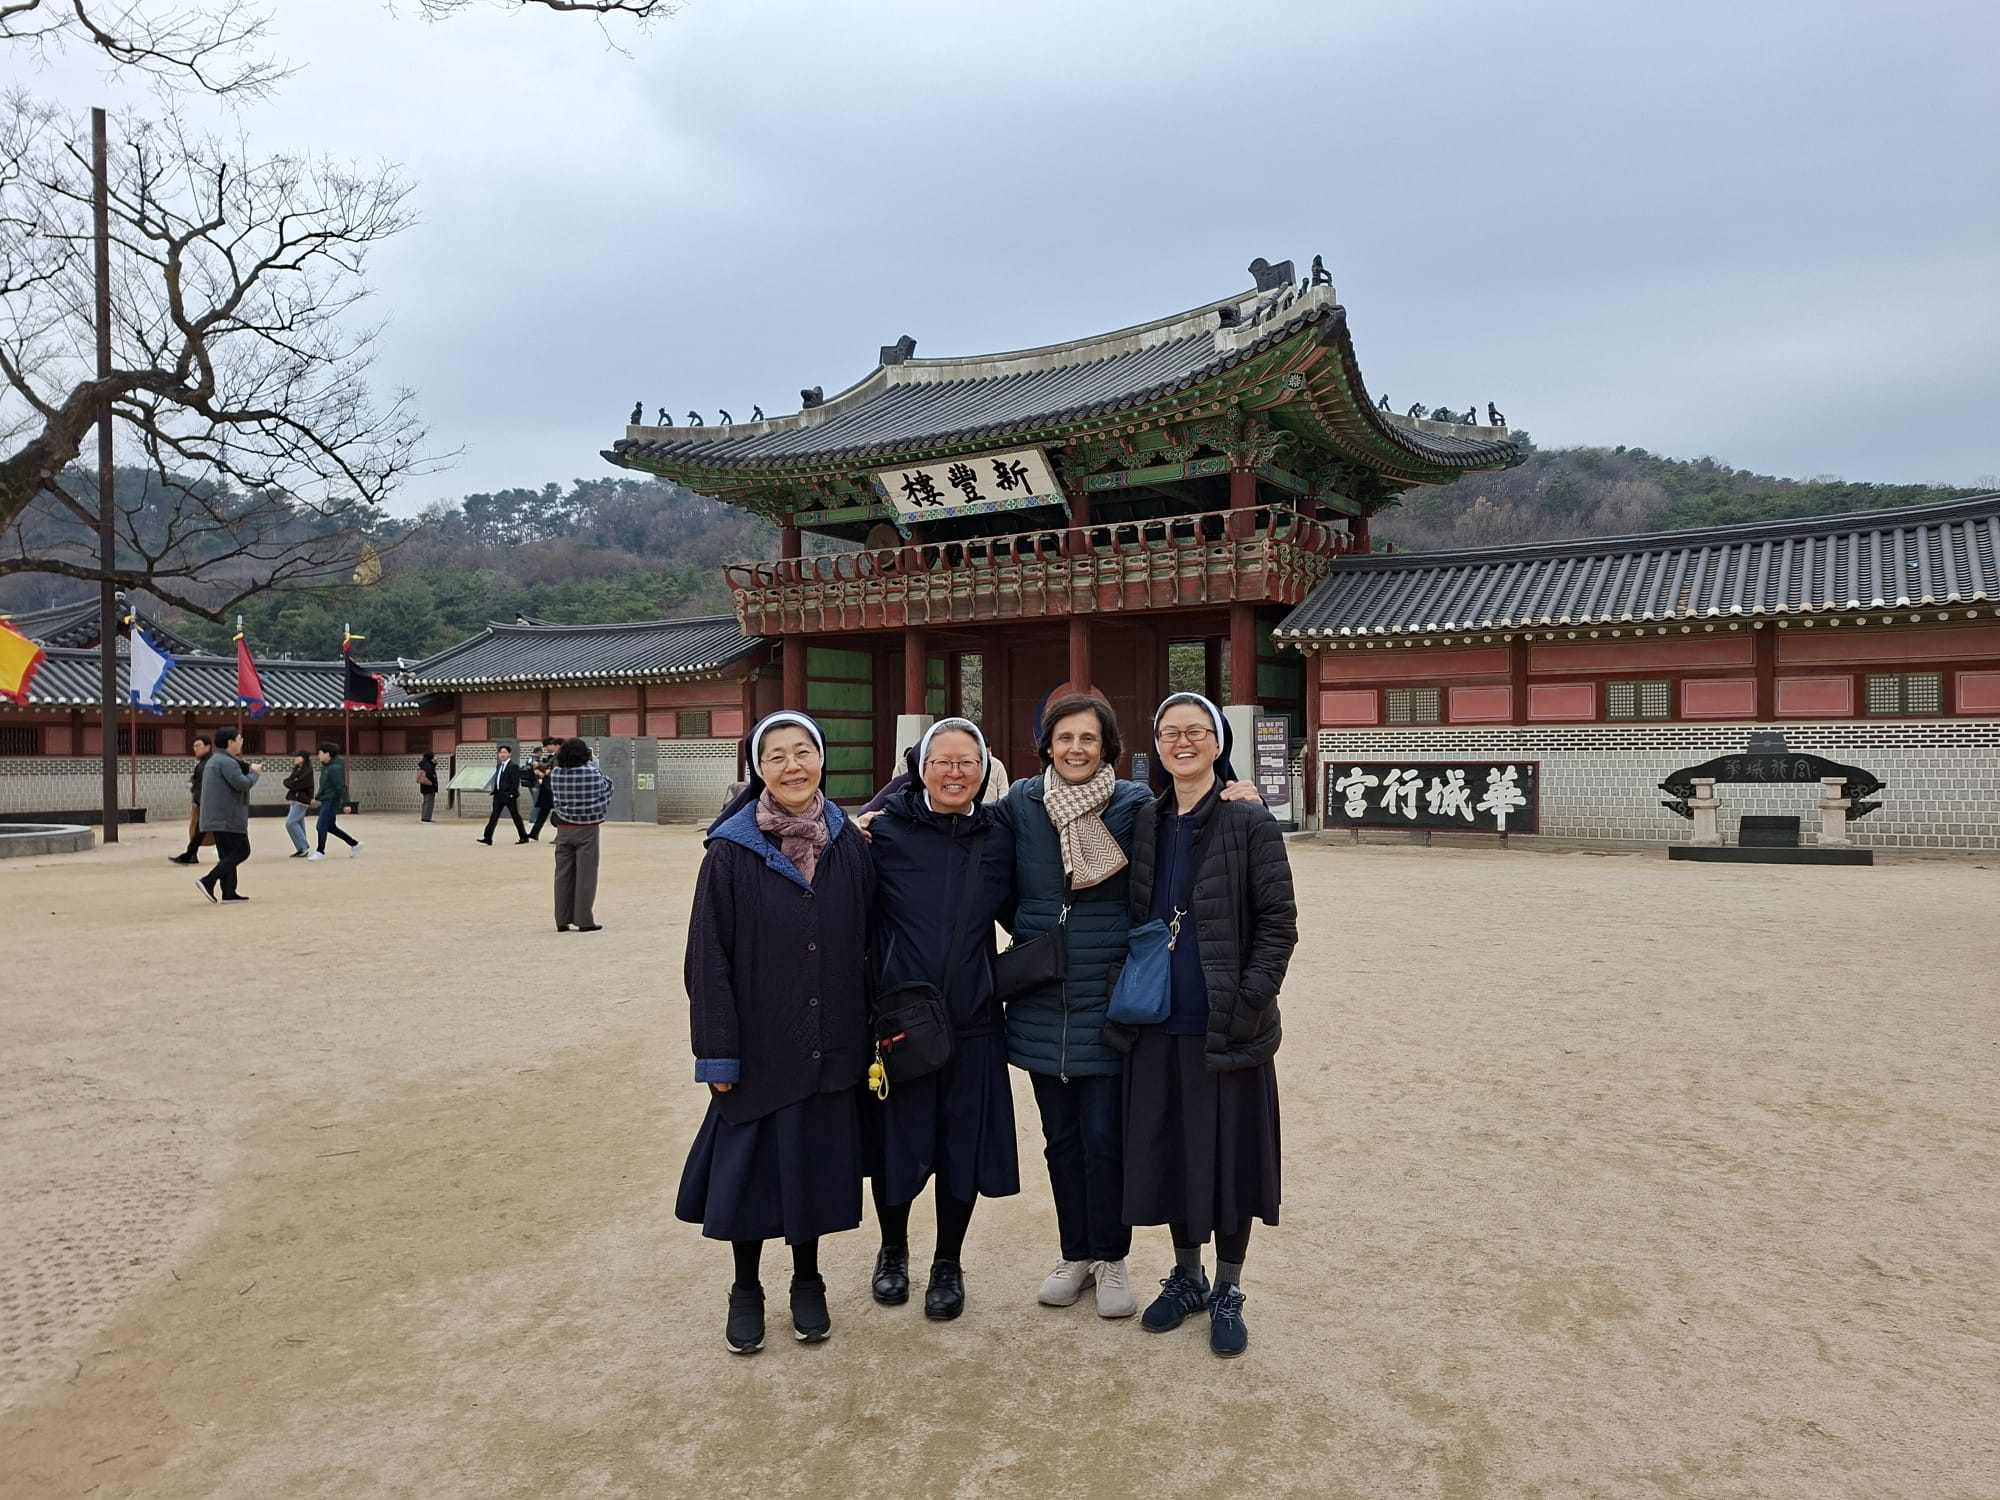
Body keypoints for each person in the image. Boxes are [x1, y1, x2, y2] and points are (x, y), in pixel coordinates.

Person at [995, 694, 1264, 1319]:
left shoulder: (1134, 805)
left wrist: (1237, 793)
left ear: (1109, 747)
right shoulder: (1021, 805)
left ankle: (1112, 1256)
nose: (1076, 749)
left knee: (1105, 1138)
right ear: (1046, 746)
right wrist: (875, 815)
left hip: (1111, 998)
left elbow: (1192, 819)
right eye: (1065, 738)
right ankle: (1076, 1253)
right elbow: (967, 833)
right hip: (1043, 1000)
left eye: (1088, 738)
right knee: (1060, 1141)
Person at [677, 711, 875, 1354]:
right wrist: (718, 1053)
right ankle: (746, 1288)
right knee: (753, 1174)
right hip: (760, 1045)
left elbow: (871, 942)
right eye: (777, 756)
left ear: (821, 759)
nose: (793, 767)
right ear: (759, 769)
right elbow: (707, 958)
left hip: (830, 1039)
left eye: (803, 752)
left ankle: (808, 1280)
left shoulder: (849, 845)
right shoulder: (731, 852)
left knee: (810, 1166)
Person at [1108, 692, 1297, 1360]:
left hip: (1226, 1027)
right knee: (1175, 1154)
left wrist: (1250, 1002)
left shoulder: (1249, 820)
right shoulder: (1146, 819)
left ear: (1218, 742)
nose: (1182, 742)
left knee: (1231, 1160)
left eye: (1196, 731)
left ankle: (1228, 1288)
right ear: (1156, 745)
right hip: (1158, 1021)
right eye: (1169, 732)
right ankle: (1186, 1276)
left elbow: (1278, 923)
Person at [864, 718, 1018, 1322]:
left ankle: (948, 1262)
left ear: (984, 771)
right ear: (920, 768)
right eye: (942, 762)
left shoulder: (1000, 836)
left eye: (967, 763)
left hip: (973, 1020)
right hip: (901, 1020)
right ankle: (893, 1249)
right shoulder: (884, 832)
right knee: (895, 1143)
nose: (955, 774)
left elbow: (1029, 907)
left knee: (963, 1147)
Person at [549, 737, 612, 932]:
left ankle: (562, 918)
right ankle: (584, 919)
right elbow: (607, 787)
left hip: (564, 827)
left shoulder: (556, 773)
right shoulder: (592, 772)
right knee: (586, 875)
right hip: (587, 828)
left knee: (562, 874)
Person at [197, 728, 261, 902]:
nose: (241, 742)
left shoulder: (217, 760)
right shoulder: (226, 762)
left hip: (218, 817)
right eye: (239, 739)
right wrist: (255, 773)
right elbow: (242, 784)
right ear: (230, 742)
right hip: (228, 816)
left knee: (227, 855)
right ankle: (208, 880)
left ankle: (229, 892)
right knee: (242, 851)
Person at [309, 741, 361, 860]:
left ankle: (320, 851)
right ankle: (354, 844)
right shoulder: (326, 767)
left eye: (320, 753)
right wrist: (317, 799)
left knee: (321, 825)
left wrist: (346, 803)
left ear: (327, 754)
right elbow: (325, 786)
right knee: (330, 827)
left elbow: (341, 786)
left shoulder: (334, 768)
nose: (318, 755)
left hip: (331, 801)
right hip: (326, 800)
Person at [167, 735, 214, 865]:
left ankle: (190, 855)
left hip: (208, 802)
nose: (195, 749)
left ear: (208, 747)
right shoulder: (203, 764)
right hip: (205, 801)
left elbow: (205, 785)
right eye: (194, 746)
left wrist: (198, 801)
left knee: (206, 829)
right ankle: (190, 855)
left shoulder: (210, 763)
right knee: (201, 829)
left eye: (198, 745)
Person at [480, 744, 528, 845]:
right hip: (498, 795)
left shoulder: (513, 766)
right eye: (500, 752)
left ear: (509, 754)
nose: (502, 754)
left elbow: (515, 782)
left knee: (515, 816)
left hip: (508, 795)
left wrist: (511, 793)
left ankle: (523, 836)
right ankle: (487, 837)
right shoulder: (499, 765)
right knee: (493, 816)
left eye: (504, 752)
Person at [282, 750, 314, 856]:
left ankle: (303, 846)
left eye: (297, 756)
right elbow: (289, 780)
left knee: (290, 823)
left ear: (303, 758)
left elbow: (297, 784)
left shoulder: (308, 771)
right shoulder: (297, 769)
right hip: (295, 799)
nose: (295, 759)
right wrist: (289, 782)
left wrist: (290, 783)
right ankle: (302, 849)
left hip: (302, 800)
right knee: (299, 823)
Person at [527, 738, 559, 840]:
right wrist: (539, 766)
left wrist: (546, 771)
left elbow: (555, 770)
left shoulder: (560, 756)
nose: (546, 749)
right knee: (543, 811)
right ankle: (534, 833)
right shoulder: (552, 756)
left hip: (554, 788)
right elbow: (546, 766)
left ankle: (560, 835)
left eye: (547, 747)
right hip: (547, 787)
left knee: (559, 812)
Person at [416, 751, 440, 823]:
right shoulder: (428, 765)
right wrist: (433, 783)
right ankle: (426, 819)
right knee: (429, 802)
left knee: (426, 802)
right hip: (429, 786)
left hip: (424, 786)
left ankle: (424, 817)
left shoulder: (424, 764)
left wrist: (435, 763)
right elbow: (430, 774)